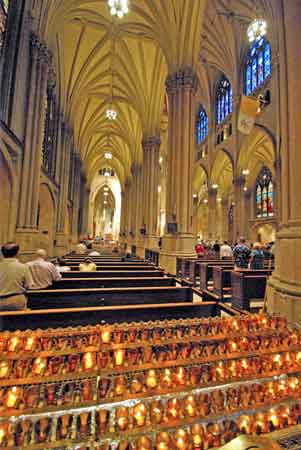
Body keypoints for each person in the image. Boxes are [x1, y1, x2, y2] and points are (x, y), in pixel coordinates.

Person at [0, 242, 32, 310]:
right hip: (17, 301)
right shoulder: (23, 267)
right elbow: (28, 285)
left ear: (2, 254)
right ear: (17, 253)